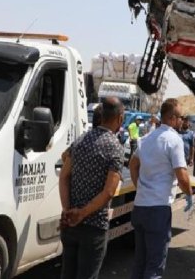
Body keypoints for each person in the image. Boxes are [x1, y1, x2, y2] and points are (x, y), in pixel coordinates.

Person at [59, 97, 125, 279]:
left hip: (69, 223)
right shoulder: (115, 147)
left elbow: (64, 177)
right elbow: (109, 192)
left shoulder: (80, 141)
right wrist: (82, 213)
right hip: (94, 227)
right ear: (119, 119)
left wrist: (67, 210)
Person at [129, 98, 191, 279]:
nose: (182, 121)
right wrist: (188, 194)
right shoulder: (174, 140)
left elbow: (133, 164)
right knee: (154, 267)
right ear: (172, 118)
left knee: (140, 262)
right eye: (180, 117)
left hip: (140, 207)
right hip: (158, 209)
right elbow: (181, 175)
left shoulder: (146, 138)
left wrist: (139, 185)